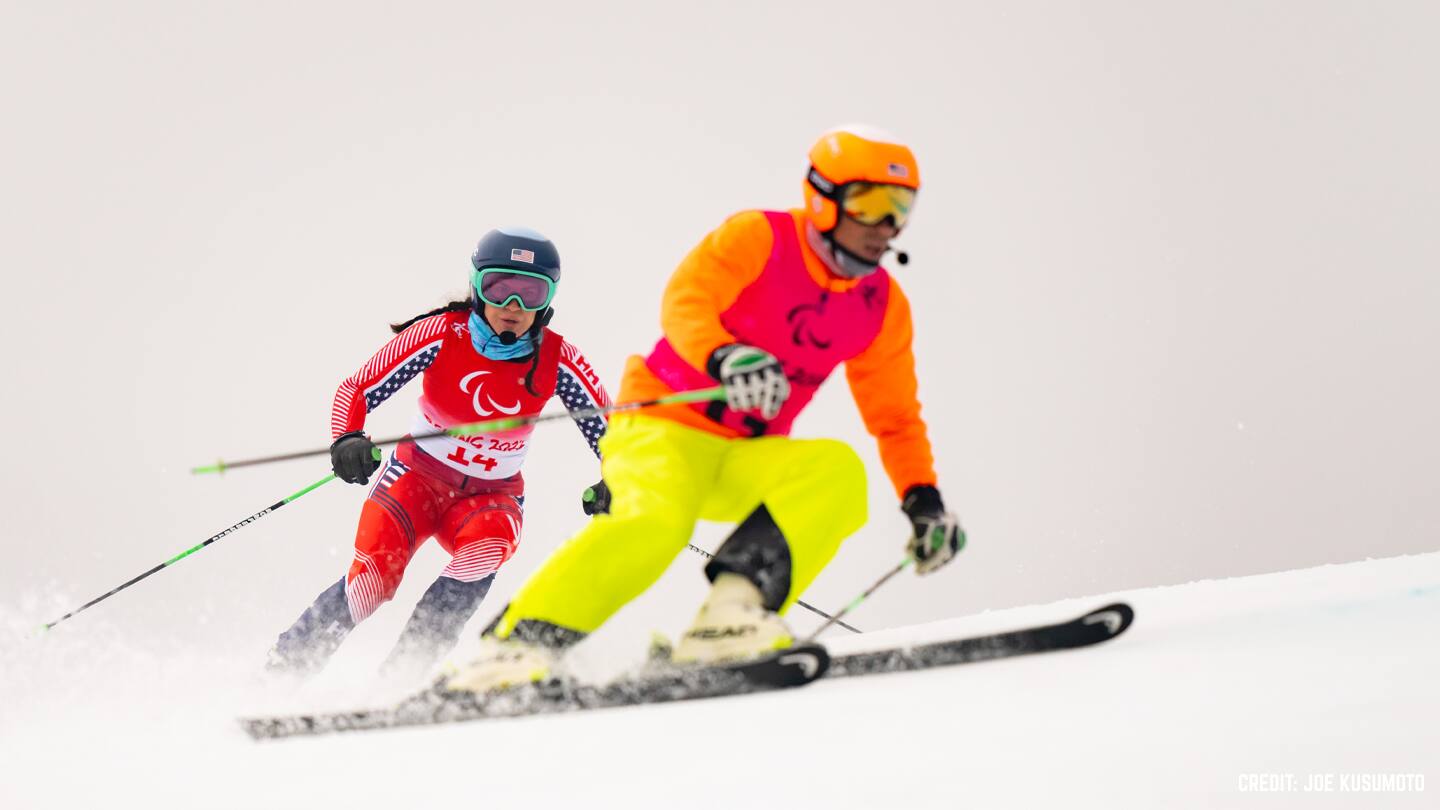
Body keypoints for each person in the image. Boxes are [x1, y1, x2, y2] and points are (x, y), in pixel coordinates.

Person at [446, 125, 965, 692]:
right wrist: (725, 356)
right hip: (660, 429)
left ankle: (731, 619)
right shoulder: (762, 238)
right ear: (824, 196)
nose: (886, 224)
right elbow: (686, 300)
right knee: (656, 524)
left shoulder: (880, 306)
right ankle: (513, 648)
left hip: (741, 454)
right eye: (870, 202)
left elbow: (896, 418)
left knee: (837, 472)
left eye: (900, 207)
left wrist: (925, 502)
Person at [266, 226, 613, 682]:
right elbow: (357, 388)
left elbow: (612, 431)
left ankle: (401, 680)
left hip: (490, 497)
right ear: (477, 287)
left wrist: (618, 478)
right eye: (499, 288)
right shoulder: (442, 334)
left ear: (548, 300)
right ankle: (282, 673)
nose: (513, 306)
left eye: (531, 293)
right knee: (374, 581)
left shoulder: (558, 358)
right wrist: (347, 438)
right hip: (415, 483)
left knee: (486, 551)